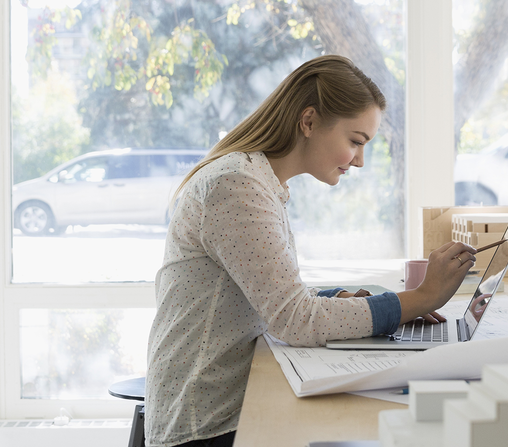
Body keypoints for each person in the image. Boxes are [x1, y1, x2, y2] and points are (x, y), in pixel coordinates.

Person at [144, 55, 477, 447]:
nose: (361, 160)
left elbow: (273, 298)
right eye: (355, 141)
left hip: (227, 400)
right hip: (206, 420)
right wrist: (420, 298)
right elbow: (294, 320)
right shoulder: (236, 186)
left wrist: (343, 301)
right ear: (309, 122)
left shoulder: (259, 181)